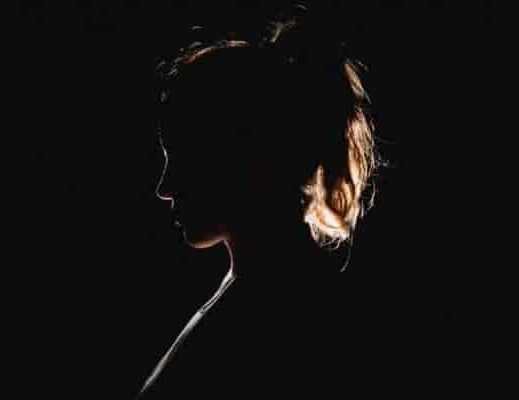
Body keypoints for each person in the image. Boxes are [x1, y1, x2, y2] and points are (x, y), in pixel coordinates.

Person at [139, 5, 380, 398]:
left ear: (246, 158)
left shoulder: (277, 314)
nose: (164, 188)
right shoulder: (263, 290)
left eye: (184, 159)